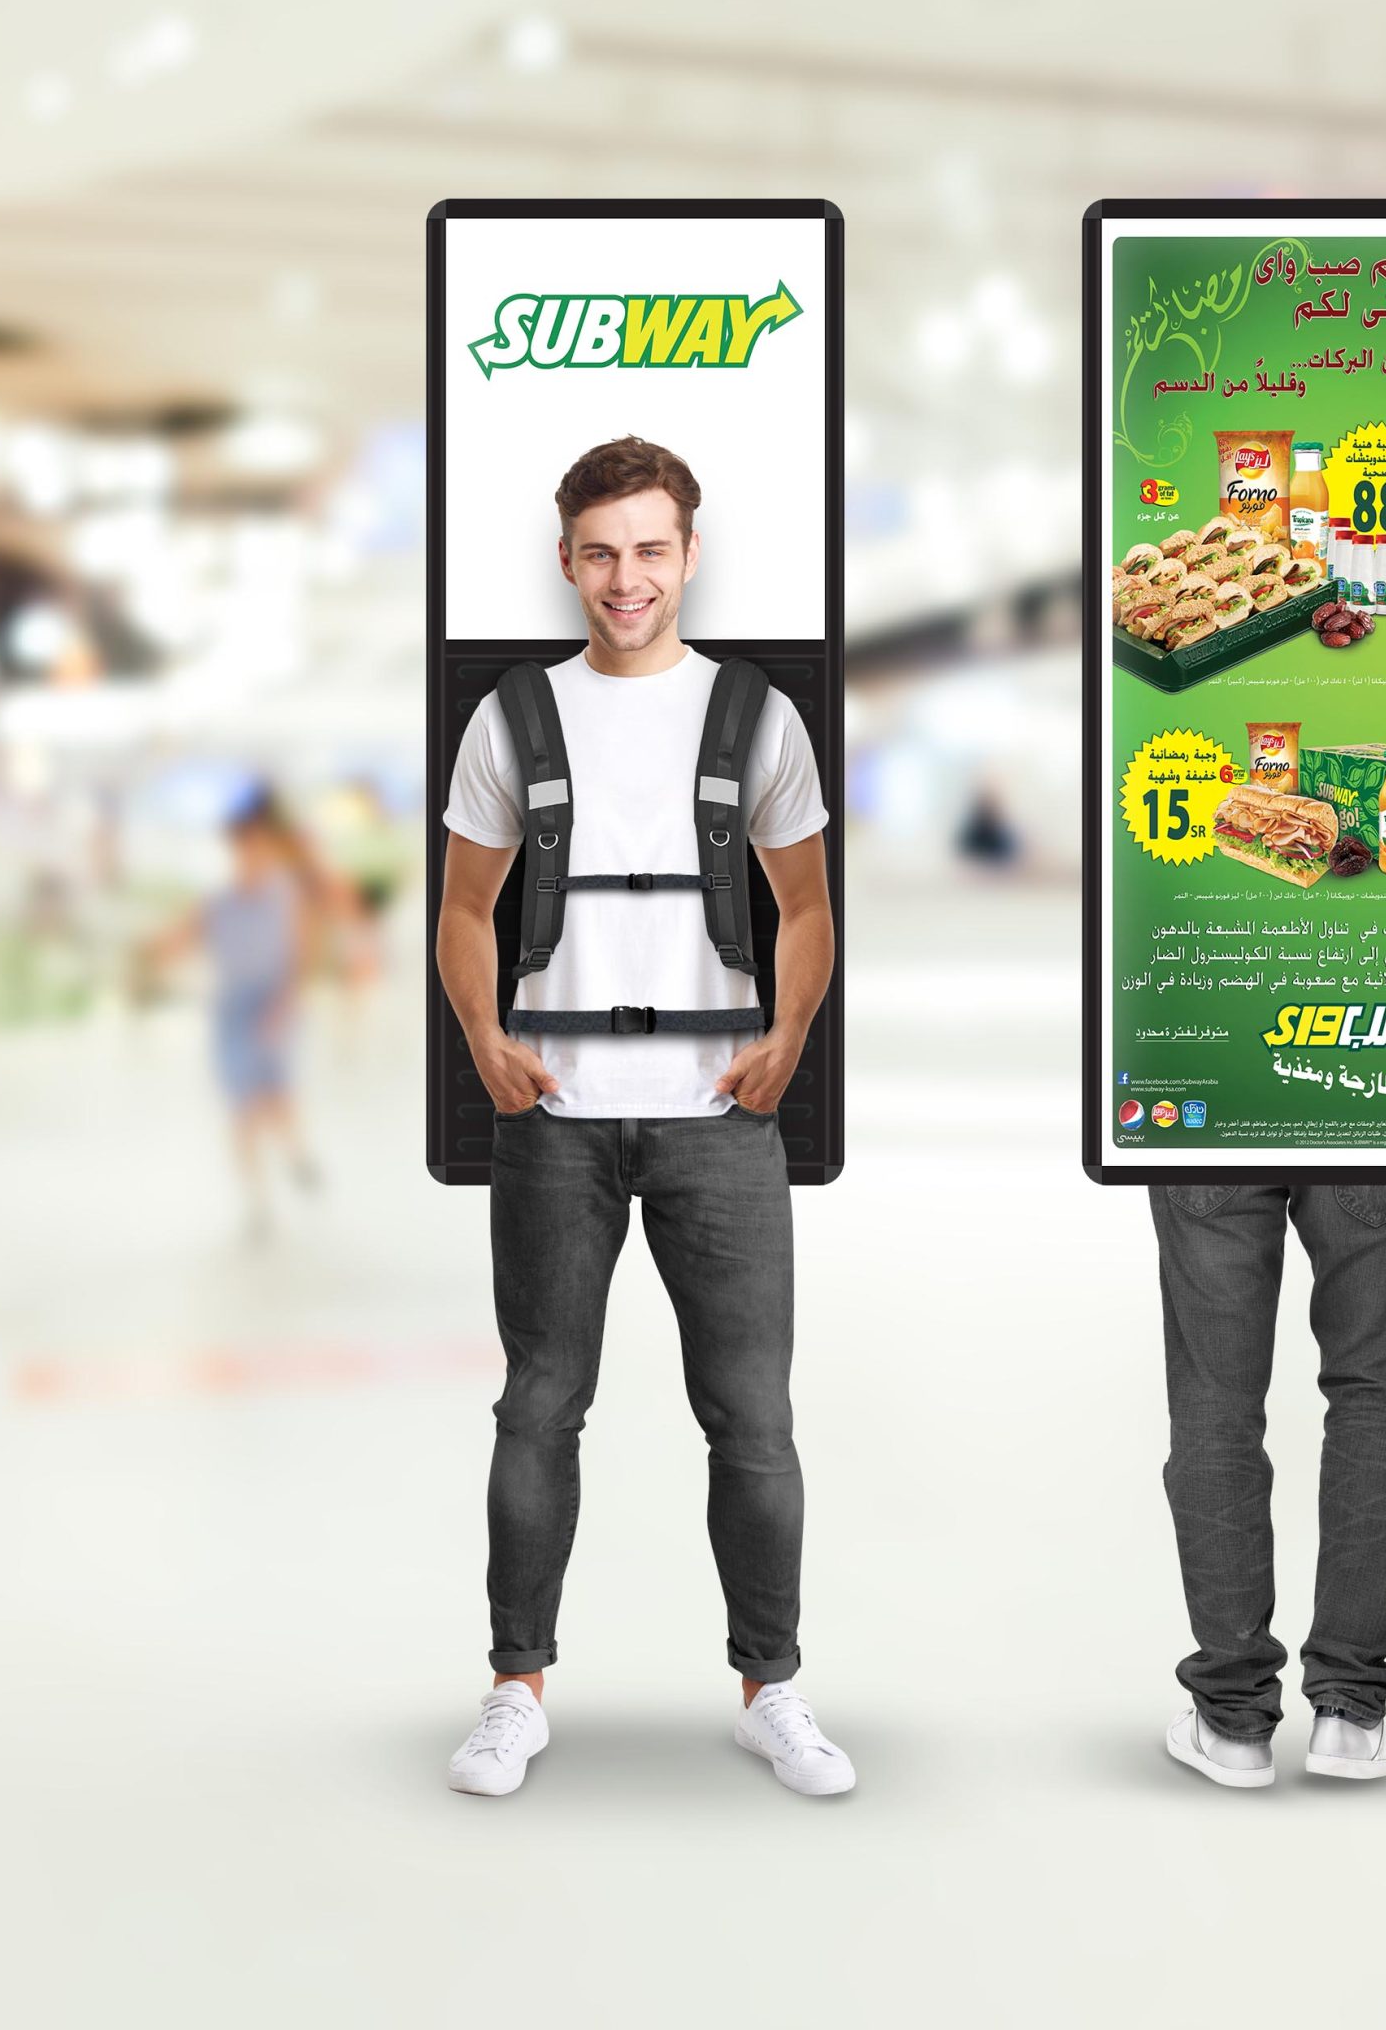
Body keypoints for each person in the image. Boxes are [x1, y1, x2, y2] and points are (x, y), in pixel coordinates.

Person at [433, 435, 848, 1799]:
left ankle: (771, 1692)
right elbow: (462, 908)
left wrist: (788, 1038)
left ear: (689, 555)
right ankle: (514, 1693)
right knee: (538, 1408)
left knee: (754, 1421)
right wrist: (484, 1039)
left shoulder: (756, 716)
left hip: (719, 1124)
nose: (627, 577)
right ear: (566, 561)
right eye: (601, 551)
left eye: (651, 549)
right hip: (554, 1120)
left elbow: (803, 906)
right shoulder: (512, 717)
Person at [1150, 1183, 1386, 1789]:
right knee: (1374, 1389)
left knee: (1215, 1402)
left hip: (1214, 1104)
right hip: (1371, 1104)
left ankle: (1232, 1721)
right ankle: (1349, 1712)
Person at [149, 789, 320, 1240]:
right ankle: (257, 1200)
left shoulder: (286, 897)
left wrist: (284, 1004)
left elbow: (301, 956)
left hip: (274, 1004)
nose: (250, 855)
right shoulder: (219, 902)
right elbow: (181, 937)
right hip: (233, 1012)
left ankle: (296, 1153)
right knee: (243, 1109)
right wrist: (157, 950)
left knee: (278, 1099)